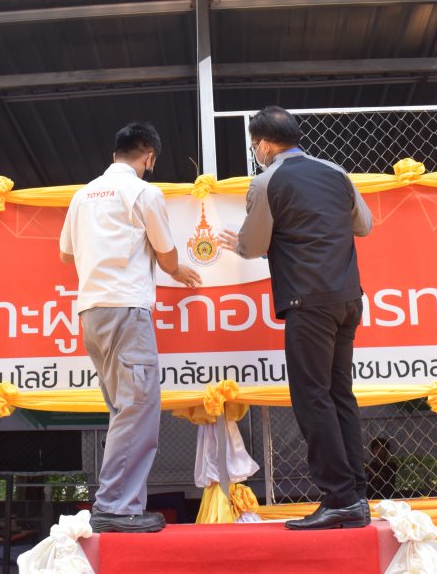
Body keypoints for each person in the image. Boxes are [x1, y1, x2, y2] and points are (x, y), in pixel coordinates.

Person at [218, 106, 374, 530]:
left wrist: (238, 243)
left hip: (308, 300)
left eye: (255, 146)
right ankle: (356, 497)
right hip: (348, 298)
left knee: (312, 398)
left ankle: (339, 497)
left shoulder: (267, 181)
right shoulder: (336, 171)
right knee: (340, 395)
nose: (256, 152)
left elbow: (252, 246)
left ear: (266, 145)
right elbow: (364, 226)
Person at [60, 122, 201, 533]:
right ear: (149, 157)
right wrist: (177, 270)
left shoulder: (83, 195)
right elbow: (166, 252)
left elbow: (66, 254)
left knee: (124, 410)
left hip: (92, 311)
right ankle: (115, 508)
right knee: (138, 409)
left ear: (115, 153)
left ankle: (119, 505)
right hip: (126, 307)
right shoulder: (143, 192)